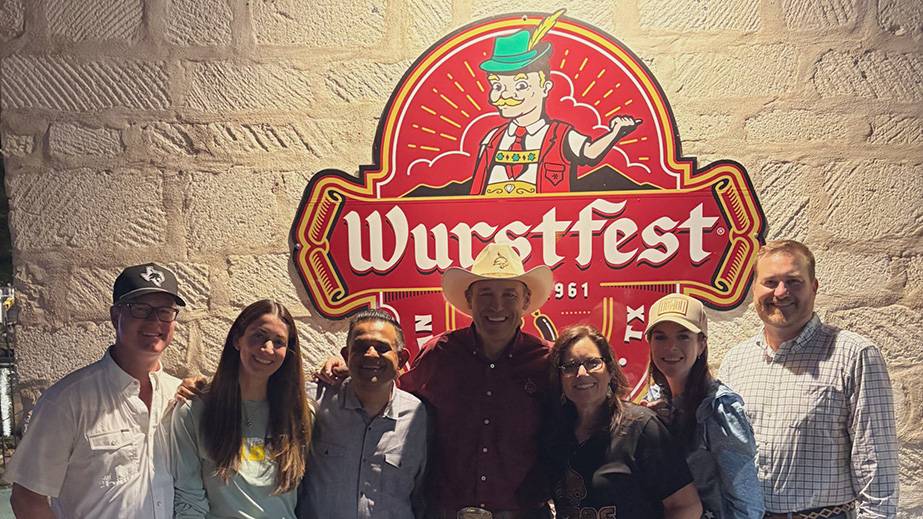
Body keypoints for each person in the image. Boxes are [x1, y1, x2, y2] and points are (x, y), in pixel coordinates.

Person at [319, 242, 555, 517]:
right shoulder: (439, 353)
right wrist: (356, 371)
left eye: (510, 294)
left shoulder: (547, 362)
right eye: (486, 293)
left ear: (526, 301)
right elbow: (395, 393)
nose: (497, 305)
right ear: (469, 300)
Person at [719, 240, 899, 519]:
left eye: (793, 281)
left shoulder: (854, 354)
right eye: (770, 282)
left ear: (814, 287)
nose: (780, 292)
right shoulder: (735, 361)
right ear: (754, 288)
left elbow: (876, 465)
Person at [7, 263, 186, 519]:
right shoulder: (67, 401)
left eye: (165, 311)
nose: (154, 321)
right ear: (115, 316)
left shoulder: (180, 396)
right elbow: (27, 499)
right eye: (140, 309)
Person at [171, 299, 313, 519]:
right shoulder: (195, 411)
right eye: (259, 336)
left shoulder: (300, 416)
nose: (268, 349)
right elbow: (189, 500)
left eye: (279, 342)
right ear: (238, 339)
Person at [544, 325, 702, 519]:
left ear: (610, 371)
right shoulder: (555, 435)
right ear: (559, 378)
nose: (582, 373)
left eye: (592, 363)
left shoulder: (642, 427)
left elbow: (686, 506)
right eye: (569, 366)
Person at [299, 309, 428, 519]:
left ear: (402, 358)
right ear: (346, 355)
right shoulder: (315, 401)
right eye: (360, 347)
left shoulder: (418, 415)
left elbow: (423, 494)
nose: (370, 354)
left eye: (382, 347)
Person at [644, 293, 763, 519]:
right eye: (660, 337)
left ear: (701, 344)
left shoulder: (719, 409)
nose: (671, 347)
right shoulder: (654, 400)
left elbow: (747, 503)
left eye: (683, 337)